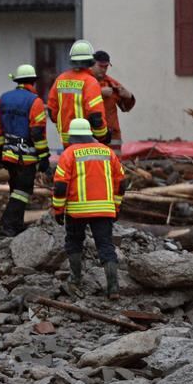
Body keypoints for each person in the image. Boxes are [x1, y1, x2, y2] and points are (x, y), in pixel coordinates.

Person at [51, 118, 125, 300]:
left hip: (77, 210)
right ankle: (113, 288)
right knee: (106, 246)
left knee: (74, 243)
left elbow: (60, 187)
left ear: (72, 136)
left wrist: (58, 210)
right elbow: (121, 183)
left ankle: (75, 280)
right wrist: (116, 206)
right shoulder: (107, 152)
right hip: (104, 210)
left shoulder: (69, 154)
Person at [0, 64, 50, 238]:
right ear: (33, 81)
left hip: (9, 155)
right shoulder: (35, 101)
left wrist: (1, 151)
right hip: (26, 157)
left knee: (16, 192)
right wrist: (44, 156)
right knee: (22, 192)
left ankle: (15, 227)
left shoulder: (4, 99)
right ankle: (6, 228)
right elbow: (37, 132)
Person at [47, 40, 110, 148]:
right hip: (86, 140)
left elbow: (52, 112)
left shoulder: (60, 79)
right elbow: (96, 116)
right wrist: (103, 135)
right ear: (91, 61)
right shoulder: (90, 81)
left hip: (66, 140)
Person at [91, 50, 136, 156]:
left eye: (106, 67)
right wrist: (99, 92)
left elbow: (126, 108)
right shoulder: (84, 81)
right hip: (90, 135)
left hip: (112, 136)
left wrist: (128, 96)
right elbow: (78, 98)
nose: (103, 70)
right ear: (92, 64)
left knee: (114, 169)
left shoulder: (111, 84)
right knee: (94, 169)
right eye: (100, 66)